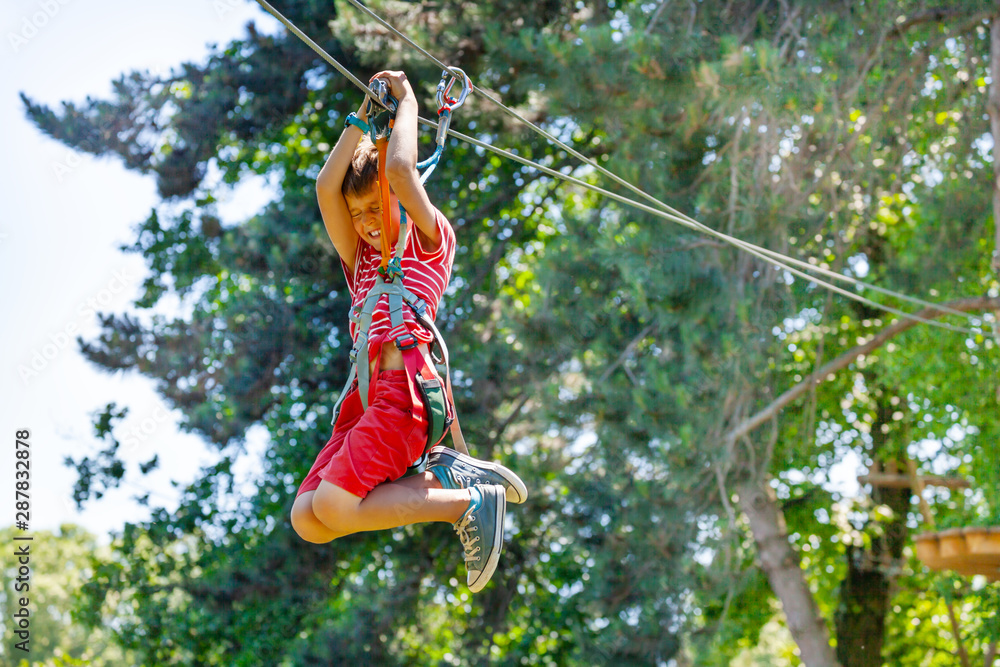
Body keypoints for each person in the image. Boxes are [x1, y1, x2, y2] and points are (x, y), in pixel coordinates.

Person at [290, 69, 527, 592]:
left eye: (375, 208)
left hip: (406, 395)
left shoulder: (428, 238)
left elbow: (398, 169)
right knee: (308, 518)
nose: (368, 222)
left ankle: (466, 501)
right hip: (363, 404)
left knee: (334, 502)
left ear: (403, 199)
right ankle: (448, 478)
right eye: (359, 215)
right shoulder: (359, 262)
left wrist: (407, 101)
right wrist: (360, 115)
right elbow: (326, 186)